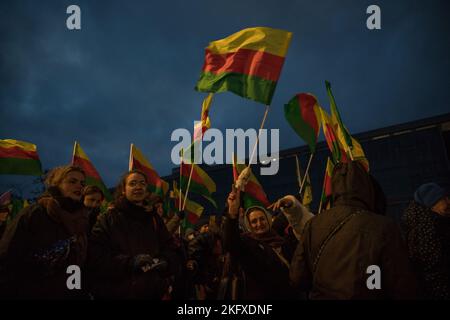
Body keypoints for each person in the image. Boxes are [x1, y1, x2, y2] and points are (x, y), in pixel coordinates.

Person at [290, 161, 417, 299]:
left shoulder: (313, 224)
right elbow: (401, 284)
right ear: (367, 187)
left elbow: (297, 278)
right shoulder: (383, 226)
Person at [0, 165, 89, 299]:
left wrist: (77, 292)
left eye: (82, 183)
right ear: (56, 184)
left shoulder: (82, 219)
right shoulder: (35, 213)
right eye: (72, 181)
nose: (79, 186)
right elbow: (7, 257)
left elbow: (77, 266)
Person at [87, 170, 178, 299]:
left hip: (153, 293)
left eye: (142, 183)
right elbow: (97, 256)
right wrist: (129, 263)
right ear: (124, 190)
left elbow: (171, 248)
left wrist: (166, 261)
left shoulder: (154, 218)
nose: (138, 187)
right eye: (133, 183)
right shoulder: (108, 219)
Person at [223, 184, 298, 299]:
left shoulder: (282, 241)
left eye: (262, 219)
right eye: (254, 221)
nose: (259, 224)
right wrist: (232, 213)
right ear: (249, 226)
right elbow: (231, 243)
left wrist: (291, 203)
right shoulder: (248, 244)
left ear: (268, 219)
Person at [402, 182, 450, 299]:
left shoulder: (428, 222)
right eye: (443, 199)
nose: (448, 202)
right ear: (432, 205)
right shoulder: (426, 228)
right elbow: (433, 265)